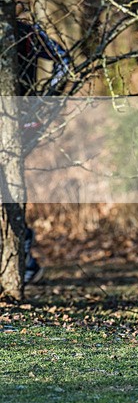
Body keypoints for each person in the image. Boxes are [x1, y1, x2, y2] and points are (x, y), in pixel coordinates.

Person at [16, 20, 72, 286]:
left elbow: (64, 61)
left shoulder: (26, 31)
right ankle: (25, 258)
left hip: (18, 122)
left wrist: (42, 105)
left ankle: (25, 257)